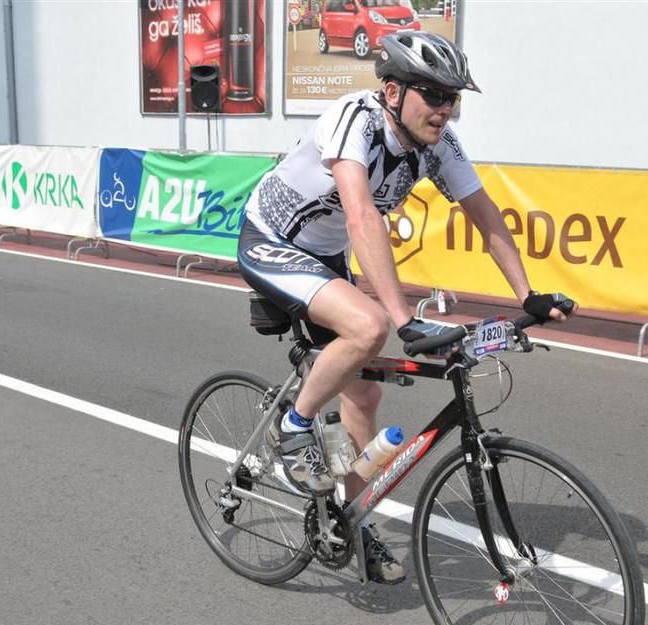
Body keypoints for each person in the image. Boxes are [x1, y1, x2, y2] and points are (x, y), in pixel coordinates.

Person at [237, 32, 573, 584]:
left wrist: (527, 294)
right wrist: (403, 320)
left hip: (324, 258)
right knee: (369, 326)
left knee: (364, 395)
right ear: (393, 92)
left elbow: (485, 214)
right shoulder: (355, 121)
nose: (445, 109)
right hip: (272, 241)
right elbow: (361, 218)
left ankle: (347, 517)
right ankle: (293, 425)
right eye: (433, 95)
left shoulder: (440, 145)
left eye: (452, 98)